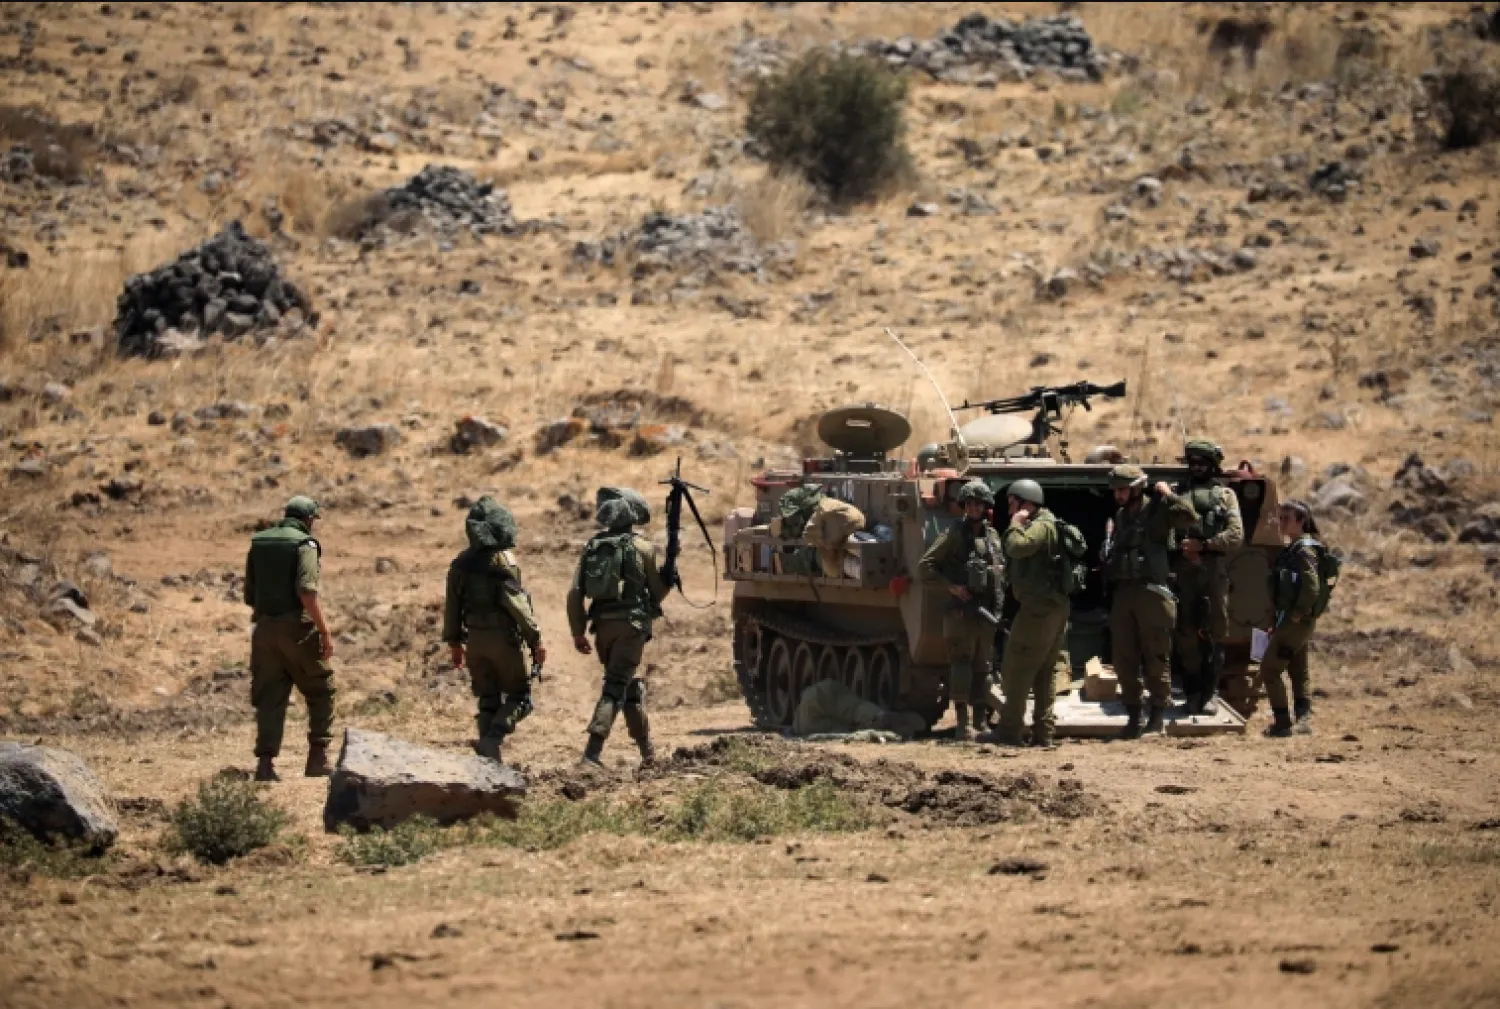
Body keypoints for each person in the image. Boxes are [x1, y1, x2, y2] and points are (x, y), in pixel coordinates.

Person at [567, 488, 670, 767]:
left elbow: (575, 592)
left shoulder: (594, 546)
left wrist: (577, 631)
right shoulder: (643, 547)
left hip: (601, 628)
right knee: (615, 686)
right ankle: (592, 752)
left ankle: (647, 753)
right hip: (631, 626)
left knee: (626, 684)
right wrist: (669, 576)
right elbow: (656, 593)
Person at [442, 497, 545, 763]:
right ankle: (492, 740)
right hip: (504, 640)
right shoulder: (503, 562)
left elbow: (451, 608)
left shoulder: (460, 564)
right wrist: (535, 641)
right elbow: (518, 606)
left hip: (474, 640)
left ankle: (489, 764)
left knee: (488, 700)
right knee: (520, 697)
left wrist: (455, 644)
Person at [243, 496, 336, 782]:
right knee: (322, 689)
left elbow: (249, 595)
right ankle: (317, 758)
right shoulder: (304, 544)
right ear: (309, 520)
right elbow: (307, 592)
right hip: (297, 629)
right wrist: (324, 630)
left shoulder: (259, 543)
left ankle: (266, 765)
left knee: (270, 696)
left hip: (264, 630)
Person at [1102, 465, 1197, 739]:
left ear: (1136, 487)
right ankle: (1134, 715)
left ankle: (1157, 717)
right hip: (1125, 593)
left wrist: (1168, 495)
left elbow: (1189, 517)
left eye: (1123, 489)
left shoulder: (1158, 511)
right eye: (1116, 490)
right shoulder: (1120, 517)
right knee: (1123, 658)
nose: (1118, 495)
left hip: (1153, 593)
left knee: (1156, 656)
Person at [918, 480, 1002, 742]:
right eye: (969, 504)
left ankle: (981, 722)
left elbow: (999, 574)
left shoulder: (992, 537)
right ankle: (962, 723)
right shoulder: (954, 533)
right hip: (961, 612)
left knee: (983, 669)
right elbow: (926, 566)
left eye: (978, 504)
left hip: (985, 612)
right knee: (961, 666)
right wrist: (952, 588)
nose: (974, 509)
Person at [991, 479, 1070, 748]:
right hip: (1050, 608)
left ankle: (1009, 732)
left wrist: (1015, 524)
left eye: (1013, 502)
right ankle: (1043, 733)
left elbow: (1016, 547)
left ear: (1026, 502)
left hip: (1040, 609)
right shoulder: (1048, 524)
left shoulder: (1041, 526)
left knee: (1016, 668)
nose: (1010, 508)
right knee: (1044, 671)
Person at [1172, 439, 1245, 715]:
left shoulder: (1225, 496)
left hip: (1213, 570)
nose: (1197, 467)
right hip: (1184, 571)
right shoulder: (1178, 493)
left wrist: (1204, 546)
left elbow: (1235, 535)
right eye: (1192, 462)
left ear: (1213, 465)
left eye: (1202, 462)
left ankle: (1210, 693)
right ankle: (1192, 692)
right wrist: (1181, 548)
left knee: (1215, 633)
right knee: (1186, 634)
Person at [1261, 499, 1325, 738]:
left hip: (1295, 621)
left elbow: (1311, 586)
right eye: (1280, 517)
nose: (1281, 523)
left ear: (1301, 521)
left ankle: (1282, 722)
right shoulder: (1295, 548)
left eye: (1286, 518)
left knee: (1269, 670)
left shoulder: (1304, 550)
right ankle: (1303, 720)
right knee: (1298, 670)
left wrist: (1298, 613)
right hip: (1294, 620)